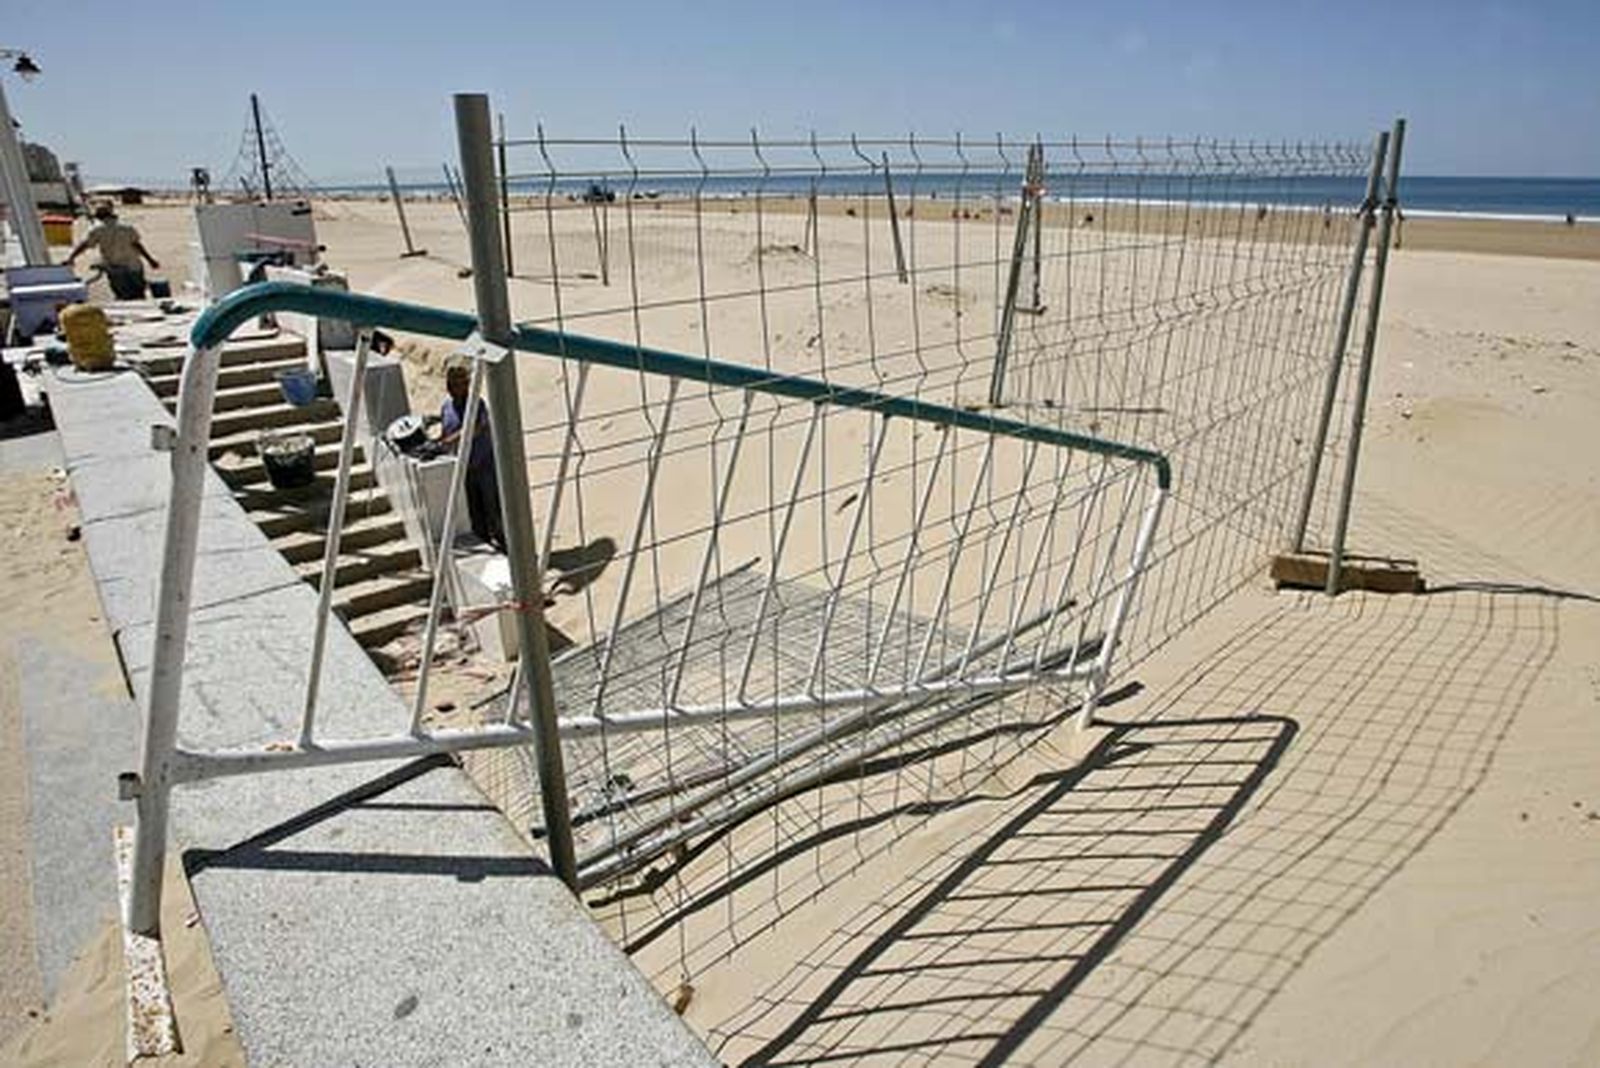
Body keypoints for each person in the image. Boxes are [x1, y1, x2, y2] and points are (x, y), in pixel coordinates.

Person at [437, 361, 504, 551]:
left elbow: (474, 428)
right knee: (475, 514)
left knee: (494, 510)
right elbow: (445, 433)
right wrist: (437, 443)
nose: (459, 387)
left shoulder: (477, 403)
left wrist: (448, 440)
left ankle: (507, 548)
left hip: (485, 466)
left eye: (462, 382)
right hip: (464, 468)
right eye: (454, 383)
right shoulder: (446, 407)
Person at [66, 204, 160, 300]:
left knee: (122, 295)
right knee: (139, 294)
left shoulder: (96, 229)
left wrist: (71, 257)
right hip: (134, 266)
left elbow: (85, 245)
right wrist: (150, 260)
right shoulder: (127, 227)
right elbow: (137, 245)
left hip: (115, 268)